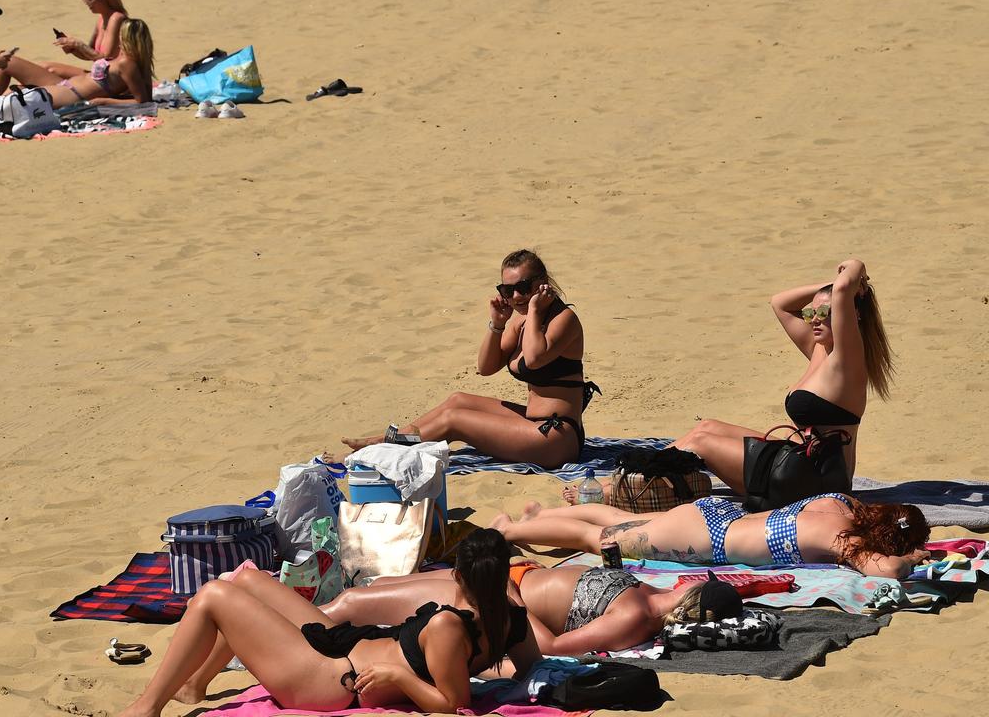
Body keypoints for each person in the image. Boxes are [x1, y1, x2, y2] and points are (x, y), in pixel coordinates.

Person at [565, 258, 891, 503]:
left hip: (819, 484)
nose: (816, 320)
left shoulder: (847, 359)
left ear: (851, 312)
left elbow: (848, 279)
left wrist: (852, 277)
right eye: (813, 314)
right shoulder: (819, 348)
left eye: (827, 312)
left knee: (701, 445)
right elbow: (780, 302)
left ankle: (617, 486)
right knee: (706, 427)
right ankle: (629, 477)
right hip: (801, 462)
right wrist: (826, 290)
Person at [117, 529, 540, 717]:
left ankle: (146, 708)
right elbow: (530, 667)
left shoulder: (450, 628)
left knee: (213, 596)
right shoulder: (512, 617)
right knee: (248, 580)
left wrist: (399, 675)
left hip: (333, 679)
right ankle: (194, 684)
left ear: (460, 575)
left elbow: (454, 704)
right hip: (343, 645)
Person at [342, 249, 598, 468]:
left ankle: (379, 452)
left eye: (523, 287)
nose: (516, 297)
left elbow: (533, 359)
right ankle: (390, 439)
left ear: (542, 284)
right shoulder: (520, 321)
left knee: (454, 421)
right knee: (458, 400)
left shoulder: (563, 320)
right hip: (535, 425)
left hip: (556, 438)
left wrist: (533, 310)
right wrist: (498, 324)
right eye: (507, 290)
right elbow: (485, 368)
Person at [322, 559, 722, 657]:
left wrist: (510, 599)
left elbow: (551, 646)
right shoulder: (652, 589)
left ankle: (278, 629)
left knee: (352, 604)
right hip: (504, 576)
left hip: (490, 598)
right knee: (383, 586)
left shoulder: (637, 618)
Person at [491, 495, 932, 578]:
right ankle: (511, 528)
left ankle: (541, 515)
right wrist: (911, 557)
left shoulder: (843, 504)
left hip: (716, 514)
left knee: (625, 520)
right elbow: (890, 570)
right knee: (603, 539)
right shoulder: (846, 542)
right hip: (709, 540)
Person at [0, 17, 155, 123]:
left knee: (5, 106)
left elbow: (143, 102)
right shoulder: (127, 61)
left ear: (130, 39)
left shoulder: (128, 64)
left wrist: (104, 101)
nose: (119, 40)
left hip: (69, 96)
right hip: (64, 88)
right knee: (6, 98)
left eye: (122, 36)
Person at [43, 0, 129, 78]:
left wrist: (78, 44)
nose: (87, 3)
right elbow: (90, 55)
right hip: (101, 75)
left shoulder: (117, 18)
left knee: (51, 70)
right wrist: (72, 49)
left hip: (113, 79)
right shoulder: (101, 18)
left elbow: (105, 59)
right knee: (44, 67)